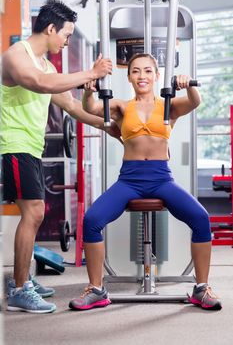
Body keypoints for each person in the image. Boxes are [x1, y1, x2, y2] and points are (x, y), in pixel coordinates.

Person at [69, 53, 222, 312]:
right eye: (136, 71)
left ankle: (201, 288)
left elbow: (195, 102)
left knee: (200, 218)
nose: (142, 76)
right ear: (129, 76)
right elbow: (91, 108)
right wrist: (88, 91)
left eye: (148, 71)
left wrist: (189, 84)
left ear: (156, 75)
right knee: (92, 220)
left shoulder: (168, 106)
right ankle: (96, 289)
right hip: (130, 179)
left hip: (161, 177)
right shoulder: (121, 107)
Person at [0, 0, 118, 314]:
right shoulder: (16, 56)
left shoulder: (48, 66)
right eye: (66, 35)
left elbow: (73, 107)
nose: (66, 42)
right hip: (12, 145)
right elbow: (38, 84)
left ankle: (22, 280)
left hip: (30, 149)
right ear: (51, 28)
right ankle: (20, 290)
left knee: (33, 212)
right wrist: (88, 72)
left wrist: (108, 126)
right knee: (35, 212)